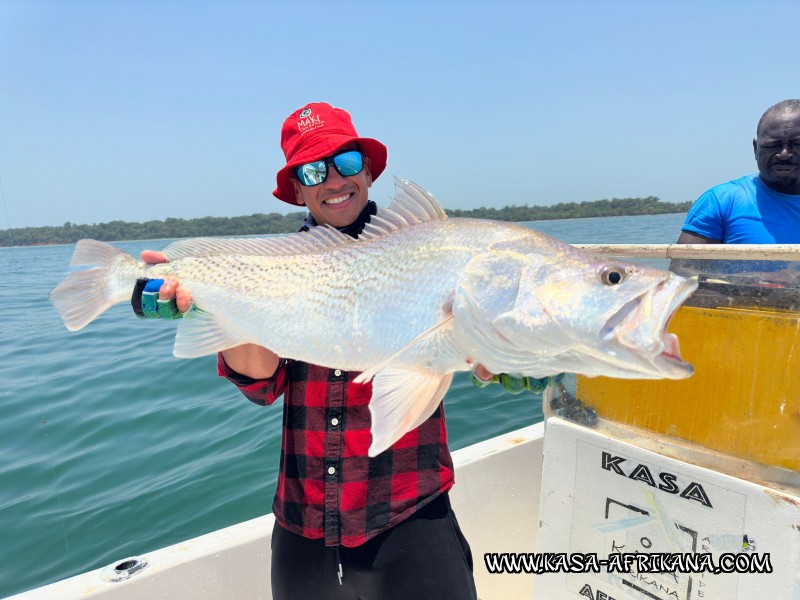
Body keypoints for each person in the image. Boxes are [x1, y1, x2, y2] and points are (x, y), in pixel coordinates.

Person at [133, 102, 479, 599]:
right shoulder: (270, 266)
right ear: (297, 188)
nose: (334, 181)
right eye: (314, 170)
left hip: (410, 513)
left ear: (368, 170)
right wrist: (217, 303)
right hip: (304, 523)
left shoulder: (430, 249)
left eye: (347, 163)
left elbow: (481, 344)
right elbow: (261, 384)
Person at [677, 99, 800, 245]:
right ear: (756, 149)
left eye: (798, 144)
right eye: (772, 145)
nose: (784, 154)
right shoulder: (721, 202)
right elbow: (683, 268)